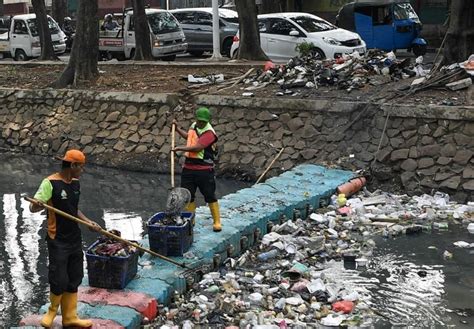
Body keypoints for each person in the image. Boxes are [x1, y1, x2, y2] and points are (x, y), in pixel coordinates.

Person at [29, 149, 100, 328]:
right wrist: (38, 205)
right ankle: (51, 312)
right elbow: (33, 207)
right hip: (57, 238)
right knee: (58, 277)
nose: (82, 171)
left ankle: (70, 317)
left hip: (74, 237)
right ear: (73, 165)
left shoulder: (75, 183)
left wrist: (88, 222)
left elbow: (72, 209)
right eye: (81, 167)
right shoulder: (50, 183)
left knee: (75, 276)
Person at [172, 107, 221, 232]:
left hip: (204, 170)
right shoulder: (194, 126)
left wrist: (180, 149)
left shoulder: (209, 133)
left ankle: (217, 221)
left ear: (208, 121)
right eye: (199, 121)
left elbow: (198, 147)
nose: (200, 123)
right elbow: (189, 137)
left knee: (209, 195)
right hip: (188, 168)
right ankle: (191, 219)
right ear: (196, 119)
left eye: (203, 122)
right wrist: (177, 129)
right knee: (189, 196)